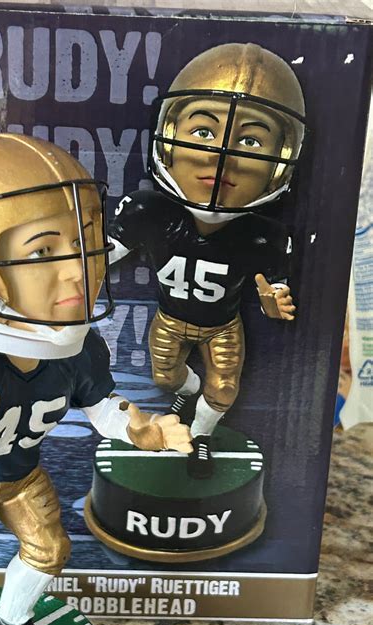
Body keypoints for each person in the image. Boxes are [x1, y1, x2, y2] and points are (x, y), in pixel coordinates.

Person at [0, 134, 191, 625]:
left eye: (82, 242)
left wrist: (140, 429)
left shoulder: (80, 350)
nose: (78, 270)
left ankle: (10, 621)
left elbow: (101, 406)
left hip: (22, 474)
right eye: (42, 251)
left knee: (50, 550)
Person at [109, 43, 306, 479]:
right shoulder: (149, 212)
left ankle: (200, 436)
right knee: (166, 379)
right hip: (170, 318)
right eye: (203, 132)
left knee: (225, 388)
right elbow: (103, 257)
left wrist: (274, 300)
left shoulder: (263, 235)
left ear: (279, 163)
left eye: (250, 141)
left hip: (222, 326)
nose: (221, 156)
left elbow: (274, 286)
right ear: (170, 135)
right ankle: (189, 387)